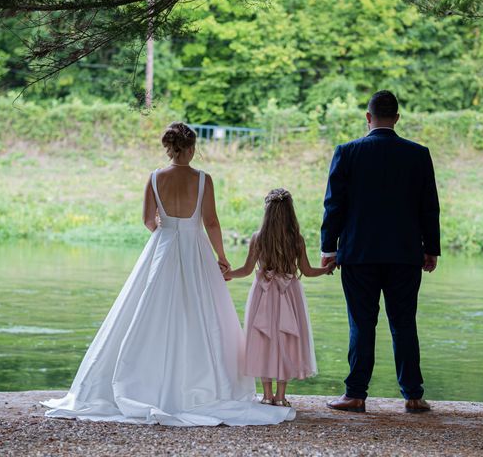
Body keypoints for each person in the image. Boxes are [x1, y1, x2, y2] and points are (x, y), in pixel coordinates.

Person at [42, 122, 295, 426]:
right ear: (191, 148)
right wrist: (222, 257)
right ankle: (205, 387)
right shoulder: (203, 179)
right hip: (195, 248)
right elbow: (211, 222)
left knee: (149, 310)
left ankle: (143, 383)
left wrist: (165, 235)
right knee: (202, 313)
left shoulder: (154, 178)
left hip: (162, 247)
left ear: (169, 148)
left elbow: (148, 220)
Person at [321, 90, 441, 414]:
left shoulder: (347, 152)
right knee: (404, 323)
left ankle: (356, 394)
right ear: (397, 118)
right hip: (404, 254)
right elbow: (429, 207)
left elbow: (334, 205)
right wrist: (431, 249)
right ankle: (413, 395)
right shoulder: (418, 154)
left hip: (359, 253)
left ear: (368, 117)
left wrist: (328, 248)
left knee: (361, 323)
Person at [225, 188, 334, 408]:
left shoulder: (259, 237)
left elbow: (246, 270)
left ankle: (266, 395)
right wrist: (328, 269)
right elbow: (308, 271)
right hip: (289, 294)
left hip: (263, 293)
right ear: (290, 212)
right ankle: (281, 396)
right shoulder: (297, 239)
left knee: (263, 339)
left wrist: (227, 274)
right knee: (287, 339)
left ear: (267, 211)